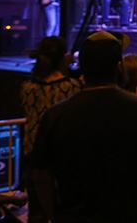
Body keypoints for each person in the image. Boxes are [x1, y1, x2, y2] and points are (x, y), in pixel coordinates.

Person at [30, 31, 137, 223]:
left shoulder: (54, 115)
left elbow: (40, 174)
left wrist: (54, 215)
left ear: (82, 68)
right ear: (119, 68)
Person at [20, 37, 81, 223]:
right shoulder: (71, 87)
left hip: (33, 152)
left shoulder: (27, 88)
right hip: (61, 154)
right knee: (64, 209)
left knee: (37, 210)